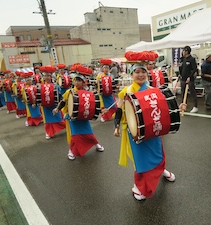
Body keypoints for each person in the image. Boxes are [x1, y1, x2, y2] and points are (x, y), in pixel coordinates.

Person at [114, 57, 178, 201]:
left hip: (153, 129)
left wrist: (177, 108)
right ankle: (139, 185)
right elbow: (119, 109)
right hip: (135, 132)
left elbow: (164, 108)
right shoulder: (125, 92)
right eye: (137, 72)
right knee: (141, 160)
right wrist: (116, 125)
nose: (140, 74)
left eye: (143, 71)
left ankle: (161, 170)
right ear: (131, 74)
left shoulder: (153, 90)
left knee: (158, 153)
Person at [53, 66, 104, 161]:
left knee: (88, 132)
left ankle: (96, 144)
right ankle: (71, 151)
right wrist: (57, 109)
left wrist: (101, 111)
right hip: (72, 117)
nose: (76, 82)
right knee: (75, 135)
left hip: (83, 116)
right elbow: (63, 101)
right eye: (75, 80)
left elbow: (92, 105)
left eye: (79, 80)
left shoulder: (87, 92)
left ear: (83, 82)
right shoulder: (70, 92)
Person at [39, 65, 65, 139]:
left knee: (58, 118)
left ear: (51, 77)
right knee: (47, 120)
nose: (47, 77)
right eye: (45, 76)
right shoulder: (41, 86)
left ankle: (64, 126)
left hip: (54, 105)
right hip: (45, 106)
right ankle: (48, 132)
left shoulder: (55, 85)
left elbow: (60, 94)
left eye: (48, 76)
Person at [179, 46, 198, 113]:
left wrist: (190, 77)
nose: (182, 52)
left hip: (190, 79)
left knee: (192, 93)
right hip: (183, 79)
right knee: (183, 93)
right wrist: (180, 74)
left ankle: (195, 106)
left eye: (183, 51)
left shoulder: (192, 59)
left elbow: (194, 69)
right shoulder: (183, 59)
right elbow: (181, 68)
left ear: (186, 51)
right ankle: (183, 105)